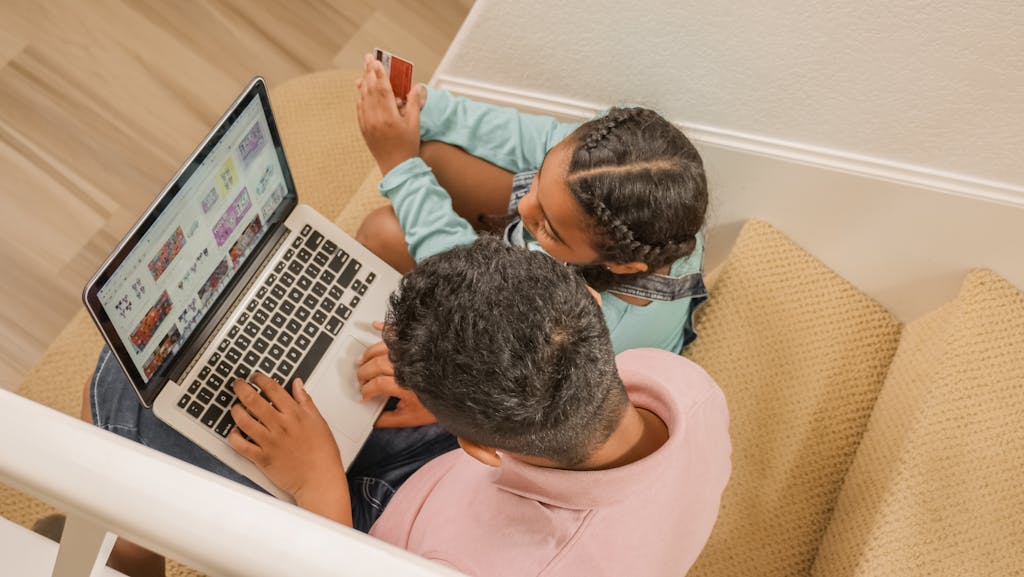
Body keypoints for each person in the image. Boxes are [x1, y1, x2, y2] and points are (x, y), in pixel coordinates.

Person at [238, 237, 731, 576]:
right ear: (589, 300)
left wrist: (317, 484)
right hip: (456, 485)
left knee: (215, 450)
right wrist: (445, 400)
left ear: (478, 446)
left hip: (376, 541)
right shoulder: (686, 387)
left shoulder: (485, 564)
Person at [354, 53, 709, 358]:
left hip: (525, 352)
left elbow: (472, 292)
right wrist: (420, 107)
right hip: (559, 272)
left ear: (621, 264)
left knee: (381, 233)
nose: (525, 207)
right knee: (430, 155)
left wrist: (399, 167)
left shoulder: (587, 330)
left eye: (547, 227)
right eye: (539, 179)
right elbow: (525, 135)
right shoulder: (623, 166)